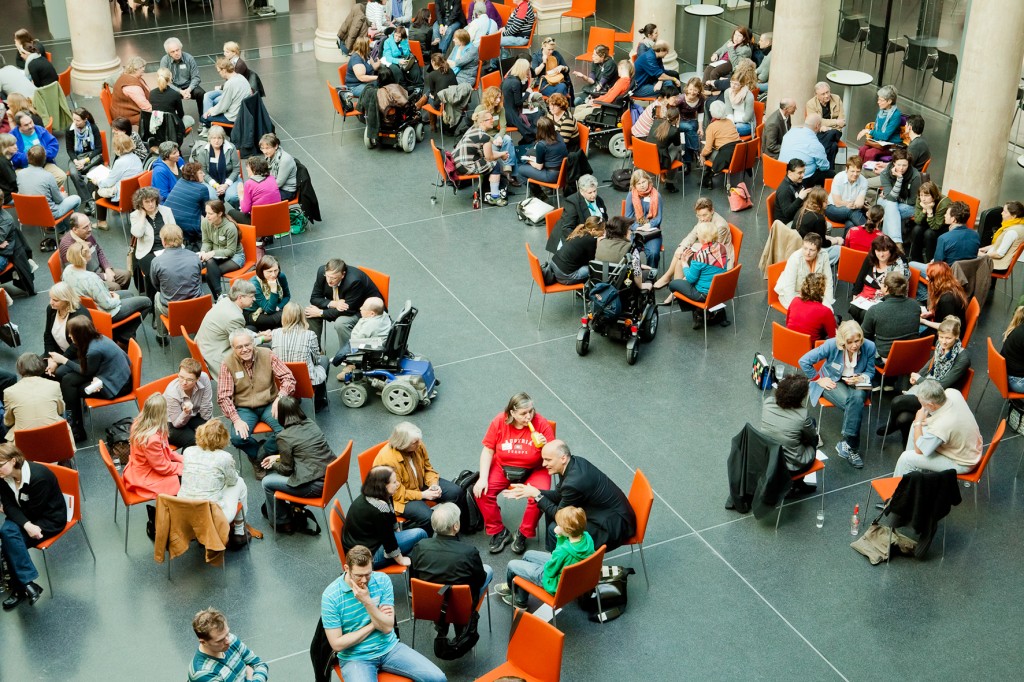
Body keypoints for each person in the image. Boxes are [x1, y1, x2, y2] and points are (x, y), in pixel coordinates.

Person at [321, 545, 447, 682]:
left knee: (438, 678)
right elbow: (337, 644)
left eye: (368, 574)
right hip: (355, 658)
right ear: (347, 569)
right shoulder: (331, 596)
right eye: (359, 575)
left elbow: (387, 627)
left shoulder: (382, 580)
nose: (364, 580)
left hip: (389, 648)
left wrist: (367, 602)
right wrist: (375, 623)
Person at [507, 440, 635, 551]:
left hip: (613, 527)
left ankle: (562, 568)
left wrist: (537, 495)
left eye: (548, 460)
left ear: (563, 458)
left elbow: (559, 515)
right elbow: (559, 495)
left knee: (555, 528)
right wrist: (532, 491)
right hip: (604, 513)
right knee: (549, 508)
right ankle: (557, 557)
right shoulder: (574, 463)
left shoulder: (575, 482)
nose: (543, 464)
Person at [473, 392, 553, 555]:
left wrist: (544, 446)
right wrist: (482, 478)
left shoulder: (541, 423)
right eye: (523, 413)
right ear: (512, 413)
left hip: (535, 469)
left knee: (538, 497)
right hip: (504, 468)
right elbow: (488, 450)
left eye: (531, 411)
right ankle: (498, 531)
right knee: (481, 492)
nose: (529, 416)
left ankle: (523, 533)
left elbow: (554, 454)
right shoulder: (499, 422)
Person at [217, 328, 295, 479]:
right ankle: (260, 455)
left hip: (269, 403)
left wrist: (280, 398)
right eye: (239, 347)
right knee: (237, 438)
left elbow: (288, 378)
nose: (245, 349)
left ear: (253, 343)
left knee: (287, 430)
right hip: (244, 408)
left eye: (247, 344)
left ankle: (259, 455)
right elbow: (223, 397)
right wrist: (236, 419)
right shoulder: (227, 363)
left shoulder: (267, 355)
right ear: (233, 348)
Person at [879, 317, 970, 444]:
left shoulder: (963, 357)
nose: (943, 341)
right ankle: (906, 444)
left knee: (898, 401)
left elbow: (942, 386)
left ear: (957, 336)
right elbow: (931, 363)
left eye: (948, 338)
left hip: (941, 396)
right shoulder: (940, 346)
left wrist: (920, 379)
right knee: (903, 419)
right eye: (941, 337)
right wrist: (918, 374)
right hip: (930, 383)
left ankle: (891, 426)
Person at [799, 320, 876, 468]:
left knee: (858, 398)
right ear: (842, 341)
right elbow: (804, 361)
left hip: (858, 381)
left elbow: (870, 372)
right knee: (854, 403)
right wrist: (818, 379)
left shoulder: (869, 347)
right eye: (850, 342)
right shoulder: (831, 344)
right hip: (833, 380)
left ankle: (847, 442)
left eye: (858, 340)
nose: (855, 345)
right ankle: (852, 447)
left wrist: (861, 378)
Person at [0, 443, 63, 610]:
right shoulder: (4, 477)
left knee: (8, 538)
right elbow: (9, 505)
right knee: (8, 534)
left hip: (48, 519)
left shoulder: (39, 477)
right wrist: (24, 522)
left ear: (13, 461)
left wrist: (11, 510)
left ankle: (20, 589)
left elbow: (33, 511)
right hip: (26, 518)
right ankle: (27, 584)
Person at [259, 395, 334, 532]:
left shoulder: (283, 436)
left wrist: (274, 463)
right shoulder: (310, 423)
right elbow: (303, 451)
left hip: (315, 486)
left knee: (267, 482)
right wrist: (277, 457)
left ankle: (281, 521)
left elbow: (286, 470)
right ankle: (293, 508)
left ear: (280, 414)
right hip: (330, 478)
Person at [494, 505, 594, 608]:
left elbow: (549, 570)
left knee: (512, 565)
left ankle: (519, 598)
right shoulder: (587, 537)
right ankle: (520, 591)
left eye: (559, 525)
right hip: (569, 572)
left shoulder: (562, 551)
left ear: (567, 531)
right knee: (528, 555)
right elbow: (561, 557)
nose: (557, 526)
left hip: (552, 582)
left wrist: (559, 537)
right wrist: (561, 536)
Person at [373, 422, 464, 533]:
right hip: (400, 499)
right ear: (403, 444)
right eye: (415, 442)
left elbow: (427, 468)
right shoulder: (388, 460)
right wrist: (423, 495)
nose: (419, 443)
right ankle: (428, 544)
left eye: (418, 440)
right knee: (428, 517)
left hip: (419, 483)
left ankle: (455, 530)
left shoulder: (417, 445)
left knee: (456, 492)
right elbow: (397, 494)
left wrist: (434, 484)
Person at [177, 418, 250, 550]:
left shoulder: (188, 451)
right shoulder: (224, 457)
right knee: (240, 482)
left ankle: (200, 534)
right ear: (223, 438)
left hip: (183, 514)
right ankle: (239, 531)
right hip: (212, 516)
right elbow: (232, 481)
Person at [409, 502, 492, 615]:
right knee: (488, 570)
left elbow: (415, 575)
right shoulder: (469, 552)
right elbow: (480, 580)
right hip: (461, 607)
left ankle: (441, 624)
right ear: (455, 526)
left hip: (431, 604)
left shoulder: (420, 546)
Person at [62, 241, 151, 342]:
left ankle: (122, 331)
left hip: (89, 309)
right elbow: (107, 305)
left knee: (129, 294)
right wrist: (117, 299)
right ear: (85, 256)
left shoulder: (67, 270)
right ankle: (125, 334)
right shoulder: (91, 278)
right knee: (147, 301)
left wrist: (107, 295)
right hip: (106, 312)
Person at [343, 466, 428, 568]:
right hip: (367, 557)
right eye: (394, 482)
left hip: (366, 543)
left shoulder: (378, 494)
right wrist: (400, 560)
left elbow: (391, 518)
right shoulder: (379, 510)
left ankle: (416, 562)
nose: (398, 484)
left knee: (411, 541)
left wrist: (397, 530)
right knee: (421, 534)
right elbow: (389, 541)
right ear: (383, 486)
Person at [893, 380, 982, 477]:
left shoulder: (942, 425)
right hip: (970, 447)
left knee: (905, 458)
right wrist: (921, 421)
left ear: (931, 405)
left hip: (962, 463)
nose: (922, 408)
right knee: (917, 427)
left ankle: (900, 488)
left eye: (922, 404)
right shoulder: (952, 392)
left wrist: (918, 421)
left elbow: (919, 450)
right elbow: (942, 415)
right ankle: (913, 474)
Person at [654, 198, 735, 303]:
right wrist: (682, 247)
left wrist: (690, 250)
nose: (701, 219)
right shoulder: (704, 218)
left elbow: (713, 249)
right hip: (707, 251)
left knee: (684, 258)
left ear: (712, 211)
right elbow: (693, 234)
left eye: (704, 215)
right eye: (699, 215)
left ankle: (675, 288)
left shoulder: (720, 226)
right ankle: (672, 283)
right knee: (681, 252)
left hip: (718, 260)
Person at [305, 259, 383, 353]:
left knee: (341, 323)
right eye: (328, 276)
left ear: (343, 274)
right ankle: (316, 351)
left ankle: (348, 355)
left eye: (333, 278)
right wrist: (334, 303)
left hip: (362, 310)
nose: (329, 281)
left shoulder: (354, 281)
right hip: (341, 303)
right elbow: (314, 298)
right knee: (310, 312)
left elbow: (347, 310)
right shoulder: (322, 272)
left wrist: (321, 313)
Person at [123, 394, 184, 504]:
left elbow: (166, 451)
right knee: (186, 480)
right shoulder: (152, 439)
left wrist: (183, 459)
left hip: (138, 467)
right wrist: (184, 468)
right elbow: (162, 467)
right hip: (147, 476)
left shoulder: (138, 422)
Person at [760, 375, 818, 490]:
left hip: (768, 459)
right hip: (791, 467)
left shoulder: (768, 403)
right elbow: (812, 438)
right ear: (800, 397)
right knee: (813, 440)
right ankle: (797, 483)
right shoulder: (802, 415)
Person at [667, 222, 729, 327]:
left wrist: (684, 263)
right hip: (719, 292)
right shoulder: (722, 248)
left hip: (704, 294)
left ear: (703, 239)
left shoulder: (699, 256)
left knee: (673, 284)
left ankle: (698, 311)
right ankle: (718, 312)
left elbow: (691, 279)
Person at [150, 225, 203, 345]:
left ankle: (161, 335)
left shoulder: (156, 262)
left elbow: (156, 285)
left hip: (173, 310)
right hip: (197, 307)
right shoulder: (194, 257)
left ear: (163, 241)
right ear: (182, 239)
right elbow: (198, 279)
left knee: (157, 296)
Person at [271, 303, 329, 412]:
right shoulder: (310, 335)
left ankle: (294, 396)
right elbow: (317, 360)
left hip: (281, 381)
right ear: (302, 316)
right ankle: (318, 401)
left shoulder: (275, 333)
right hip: (305, 381)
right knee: (324, 360)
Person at [197, 279, 260, 377]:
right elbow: (240, 343)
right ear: (240, 298)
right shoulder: (235, 317)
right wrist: (262, 339)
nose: (254, 299)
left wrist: (256, 335)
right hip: (214, 356)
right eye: (251, 296)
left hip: (204, 346)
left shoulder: (226, 301)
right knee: (259, 353)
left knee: (252, 330)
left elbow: (238, 331)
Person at [188, 608, 268, 682]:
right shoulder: (202, 672)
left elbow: (259, 665)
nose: (228, 641)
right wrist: (250, 677)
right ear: (203, 642)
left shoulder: (230, 639)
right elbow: (256, 669)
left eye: (227, 633)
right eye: (220, 640)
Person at [58, 213, 131, 292]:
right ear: (75, 229)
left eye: (90, 224)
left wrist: (107, 268)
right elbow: (79, 275)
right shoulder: (68, 247)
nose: (90, 229)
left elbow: (98, 250)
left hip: (98, 271)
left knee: (126, 276)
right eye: (85, 227)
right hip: (86, 281)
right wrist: (104, 276)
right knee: (115, 287)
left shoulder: (86, 234)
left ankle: (119, 298)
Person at [17, 145, 79, 232]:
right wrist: (63, 196)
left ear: (28, 158)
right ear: (44, 159)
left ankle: (61, 230)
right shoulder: (48, 176)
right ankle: (70, 232)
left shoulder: (20, 174)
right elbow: (58, 200)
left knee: (51, 203)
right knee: (76, 199)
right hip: (48, 214)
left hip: (27, 214)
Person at [2, 353, 64, 441]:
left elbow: (8, 422)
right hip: (54, 439)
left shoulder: (8, 392)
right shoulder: (54, 385)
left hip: (25, 445)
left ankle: (10, 452)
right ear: (41, 367)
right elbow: (60, 410)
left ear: (19, 370)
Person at [849, 234, 909, 324]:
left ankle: (868, 332)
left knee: (866, 314)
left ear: (891, 250)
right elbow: (860, 278)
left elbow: (899, 289)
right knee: (853, 309)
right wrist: (855, 297)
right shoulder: (871, 257)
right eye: (878, 250)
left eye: (884, 251)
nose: (881, 255)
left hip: (888, 297)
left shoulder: (899, 263)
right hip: (867, 295)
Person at [862, 271, 920, 362]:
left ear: (886, 288)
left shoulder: (875, 310)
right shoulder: (915, 305)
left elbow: (864, 335)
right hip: (911, 355)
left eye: (881, 283)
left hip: (886, 358)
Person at [129, 186, 174, 298]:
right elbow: (137, 233)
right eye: (147, 202)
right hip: (147, 251)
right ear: (141, 203)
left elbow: (174, 231)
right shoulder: (135, 215)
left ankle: (172, 294)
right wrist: (143, 216)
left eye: (152, 200)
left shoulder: (166, 211)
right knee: (151, 272)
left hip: (167, 247)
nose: (150, 204)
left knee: (175, 267)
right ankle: (153, 300)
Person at [332, 297, 394, 379]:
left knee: (343, 353)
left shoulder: (371, 325)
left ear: (372, 314)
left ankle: (350, 366)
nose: (360, 308)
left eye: (364, 308)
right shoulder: (383, 315)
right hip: (377, 341)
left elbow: (356, 340)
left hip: (371, 347)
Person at [94, 131, 144, 231]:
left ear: (117, 148)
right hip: (135, 198)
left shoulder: (119, 162)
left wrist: (97, 182)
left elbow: (108, 182)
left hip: (121, 201)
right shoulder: (136, 158)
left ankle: (101, 221)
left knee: (97, 190)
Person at [545, 174, 607, 253]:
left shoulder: (598, 200)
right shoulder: (572, 203)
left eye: (595, 191)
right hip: (578, 239)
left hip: (597, 236)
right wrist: (586, 242)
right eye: (590, 192)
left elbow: (605, 218)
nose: (593, 195)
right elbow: (567, 229)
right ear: (581, 191)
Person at [163, 358, 214, 448]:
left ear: (197, 379)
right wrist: (186, 412)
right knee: (193, 441)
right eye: (181, 377)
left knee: (211, 433)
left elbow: (206, 405)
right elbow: (177, 423)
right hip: (169, 422)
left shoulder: (204, 378)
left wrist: (206, 425)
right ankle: (186, 462)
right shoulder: (172, 393)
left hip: (193, 415)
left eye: (189, 379)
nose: (184, 383)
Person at [197, 200, 243, 300]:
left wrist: (212, 253)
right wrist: (204, 251)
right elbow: (206, 241)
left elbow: (230, 251)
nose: (207, 216)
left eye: (210, 213)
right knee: (210, 263)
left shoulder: (230, 227)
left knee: (210, 273)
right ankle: (220, 296)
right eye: (206, 212)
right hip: (218, 256)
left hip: (235, 257)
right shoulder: (205, 222)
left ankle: (218, 298)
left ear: (220, 214)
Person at [42, 283, 91, 377]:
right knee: (38, 367)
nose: (51, 302)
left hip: (78, 354)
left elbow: (77, 344)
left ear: (66, 300)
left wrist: (59, 360)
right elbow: (47, 334)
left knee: (59, 372)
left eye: (55, 300)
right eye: (50, 298)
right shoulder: (51, 309)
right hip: (59, 350)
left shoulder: (79, 314)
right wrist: (50, 357)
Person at [776, 233, 835, 310]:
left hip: (813, 293)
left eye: (812, 250)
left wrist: (828, 301)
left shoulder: (824, 255)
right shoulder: (795, 259)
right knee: (809, 314)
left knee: (829, 310)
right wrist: (795, 307)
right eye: (805, 248)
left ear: (818, 250)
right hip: (794, 293)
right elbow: (789, 287)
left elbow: (828, 280)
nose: (807, 253)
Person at [64, 108, 104, 215]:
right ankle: (90, 201)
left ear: (85, 119)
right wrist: (76, 160)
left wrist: (85, 161)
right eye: (74, 120)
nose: (75, 123)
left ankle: (87, 201)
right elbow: (69, 149)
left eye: (78, 120)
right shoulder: (69, 130)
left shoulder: (93, 127)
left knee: (94, 173)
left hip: (91, 156)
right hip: (77, 157)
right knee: (73, 173)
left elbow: (99, 149)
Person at [516, 116, 566, 200]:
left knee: (520, 170)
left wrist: (529, 160)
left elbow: (539, 167)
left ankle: (539, 194)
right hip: (563, 172)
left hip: (551, 176)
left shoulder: (541, 145)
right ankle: (537, 193)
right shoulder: (558, 136)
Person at [191, 125, 241, 208]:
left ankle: (235, 214)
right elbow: (203, 172)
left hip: (230, 178)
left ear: (223, 138)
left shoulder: (231, 148)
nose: (216, 141)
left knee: (232, 197)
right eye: (214, 138)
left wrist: (225, 185)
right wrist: (216, 185)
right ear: (209, 139)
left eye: (219, 138)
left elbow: (236, 169)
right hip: (210, 180)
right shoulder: (203, 150)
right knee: (212, 198)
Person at [544, 216, 602, 285]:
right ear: (593, 230)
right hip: (565, 276)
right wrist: (598, 243)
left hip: (554, 265)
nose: (604, 232)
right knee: (596, 269)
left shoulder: (578, 232)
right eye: (603, 229)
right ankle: (594, 292)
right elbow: (592, 262)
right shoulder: (591, 240)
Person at [779, 115, 834, 187]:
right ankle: (823, 197)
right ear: (817, 126)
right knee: (831, 174)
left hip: (780, 173)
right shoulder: (815, 144)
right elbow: (824, 167)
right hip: (801, 180)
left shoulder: (790, 132)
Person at [164, 162, 212, 245]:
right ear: (193, 175)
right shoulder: (202, 188)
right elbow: (206, 212)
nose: (204, 174)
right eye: (200, 172)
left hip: (168, 224)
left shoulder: (180, 181)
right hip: (188, 229)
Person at [793, 187, 842, 264]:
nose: (828, 202)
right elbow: (822, 244)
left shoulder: (802, 210)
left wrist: (830, 238)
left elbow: (817, 236)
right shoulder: (819, 219)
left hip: (799, 245)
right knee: (839, 249)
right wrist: (836, 240)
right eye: (826, 201)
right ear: (820, 202)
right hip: (809, 252)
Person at [625, 170, 664, 266]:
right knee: (628, 252)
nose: (642, 185)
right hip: (635, 230)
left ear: (648, 181)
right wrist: (637, 227)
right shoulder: (631, 195)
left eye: (644, 182)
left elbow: (658, 218)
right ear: (634, 185)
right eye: (638, 183)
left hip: (651, 230)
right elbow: (628, 217)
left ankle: (651, 277)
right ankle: (632, 277)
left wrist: (648, 225)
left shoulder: (657, 196)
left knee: (653, 254)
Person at [200, 58, 250, 132]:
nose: (219, 74)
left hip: (233, 117)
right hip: (242, 113)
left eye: (219, 71)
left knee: (204, 118)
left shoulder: (229, 84)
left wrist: (210, 111)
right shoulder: (241, 77)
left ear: (224, 70)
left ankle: (213, 133)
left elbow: (223, 107)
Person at [856, 84, 903, 163]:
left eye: (881, 100)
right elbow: (877, 129)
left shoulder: (896, 115)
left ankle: (867, 174)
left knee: (870, 153)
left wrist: (868, 131)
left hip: (890, 145)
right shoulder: (881, 111)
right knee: (862, 149)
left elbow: (885, 136)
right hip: (878, 142)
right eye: (878, 99)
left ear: (889, 101)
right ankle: (857, 171)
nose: (878, 102)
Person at [700, 100, 741, 189]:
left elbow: (708, 149)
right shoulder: (730, 122)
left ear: (712, 113)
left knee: (705, 151)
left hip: (727, 159)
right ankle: (710, 176)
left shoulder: (711, 127)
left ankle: (707, 179)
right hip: (739, 157)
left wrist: (701, 155)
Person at [229, 155, 281, 226]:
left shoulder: (249, 184)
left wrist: (241, 195)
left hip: (258, 222)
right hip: (277, 220)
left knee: (231, 213)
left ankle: (248, 235)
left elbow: (245, 209)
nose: (247, 173)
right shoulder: (272, 178)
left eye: (248, 170)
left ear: (254, 170)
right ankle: (267, 235)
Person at [786, 272, 836, 343]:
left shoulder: (795, 301)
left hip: (789, 343)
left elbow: (787, 323)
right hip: (810, 350)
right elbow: (833, 338)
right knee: (836, 320)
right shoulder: (825, 311)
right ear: (822, 290)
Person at [160, 38, 206, 114]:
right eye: (172, 52)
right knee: (165, 96)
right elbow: (165, 81)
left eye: (177, 50)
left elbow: (196, 77)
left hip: (188, 86)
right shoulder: (164, 60)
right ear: (169, 53)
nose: (176, 53)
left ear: (181, 48)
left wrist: (189, 89)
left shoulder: (189, 58)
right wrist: (180, 91)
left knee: (201, 93)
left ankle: (203, 119)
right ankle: (175, 120)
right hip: (173, 87)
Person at [928, 201, 980, 268]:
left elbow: (937, 266)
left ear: (953, 219)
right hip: (968, 275)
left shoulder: (943, 238)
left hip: (946, 276)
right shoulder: (976, 235)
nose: (944, 215)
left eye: (946, 214)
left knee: (912, 264)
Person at [921, 262, 968, 334]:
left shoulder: (946, 299)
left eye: (929, 277)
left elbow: (948, 327)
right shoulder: (953, 287)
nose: (926, 278)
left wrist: (924, 321)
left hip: (946, 337)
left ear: (937, 280)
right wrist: (931, 313)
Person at [247, 255, 290, 332]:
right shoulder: (255, 284)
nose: (273, 274)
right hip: (256, 313)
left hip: (275, 307)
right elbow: (269, 309)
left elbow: (287, 296)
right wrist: (273, 289)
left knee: (292, 313)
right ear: (261, 271)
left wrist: (279, 307)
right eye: (269, 271)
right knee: (285, 316)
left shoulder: (281, 276)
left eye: (275, 270)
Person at [979, 201, 1024, 275]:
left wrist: (981, 254)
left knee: (965, 263)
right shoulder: (1020, 226)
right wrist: (983, 249)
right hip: (1001, 263)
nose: (1001, 213)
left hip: (998, 265)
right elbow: (1001, 244)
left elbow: (999, 254)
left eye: (1005, 212)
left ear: (1013, 216)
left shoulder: (1011, 232)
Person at [501, 58, 539, 144]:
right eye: (527, 69)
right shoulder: (516, 82)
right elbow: (518, 102)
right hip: (513, 116)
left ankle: (526, 140)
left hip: (507, 113)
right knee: (536, 115)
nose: (529, 71)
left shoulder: (509, 79)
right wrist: (527, 93)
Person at [825, 155, 867, 229]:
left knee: (851, 224)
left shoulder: (864, 181)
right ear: (846, 169)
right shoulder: (839, 178)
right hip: (833, 208)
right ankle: (868, 231)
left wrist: (855, 206)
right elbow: (837, 203)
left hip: (853, 210)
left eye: (858, 171)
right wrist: (849, 204)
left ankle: (846, 240)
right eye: (852, 171)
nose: (855, 174)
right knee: (852, 212)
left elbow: (860, 203)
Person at [648, 105, 682, 193]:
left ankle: (665, 176)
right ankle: (670, 183)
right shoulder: (674, 130)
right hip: (659, 162)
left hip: (646, 157)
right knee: (678, 150)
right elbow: (677, 143)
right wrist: (677, 127)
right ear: (677, 118)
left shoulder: (656, 122)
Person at [110, 56, 152, 128]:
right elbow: (146, 108)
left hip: (122, 111)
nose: (143, 69)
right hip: (126, 116)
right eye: (141, 67)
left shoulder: (126, 76)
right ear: (135, 69)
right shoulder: (133, 87)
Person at [674, 76, 706, 168]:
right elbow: (674, 112)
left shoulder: (701, 98)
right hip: (680, 121)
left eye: (695, 90)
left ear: (699, 90)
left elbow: (700, 112)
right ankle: (698, 151)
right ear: (687, 88)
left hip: (692, 120)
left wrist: (700, 127)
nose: (692, 92)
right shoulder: (680, 99)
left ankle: (688, 161)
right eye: (691, 89)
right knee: (690, 129)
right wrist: (677, 122)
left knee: (691, 131)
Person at [259, 133, 297, 202]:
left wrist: (261, 189)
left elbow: (278, 183)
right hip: (276, 184)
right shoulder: (270, 155)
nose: (264, 151)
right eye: (262, 148)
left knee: (260, 198)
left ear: (276, 146)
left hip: (286, 191)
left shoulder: (285, 160)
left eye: (267, 148)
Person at [720, 65, 756, 137]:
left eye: (736, 84)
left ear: (742, 85)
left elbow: (747, 118)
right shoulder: (728, 92)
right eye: (732, 82)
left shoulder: (748, 96)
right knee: (717, 126)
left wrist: (733, 123)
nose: (733, 86)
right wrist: (731, 122)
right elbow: (729, 110)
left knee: (729, 130)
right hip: (733, 120)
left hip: (746, 123)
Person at [775, 159, 810, 224]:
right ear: (789, 173)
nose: (803, 175)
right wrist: (800, 198)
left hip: (797, 215)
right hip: (786, 224)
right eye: (799, 173)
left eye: (803, 172)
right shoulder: (784, 190)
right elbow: (787, 213)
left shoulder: (797, 181)